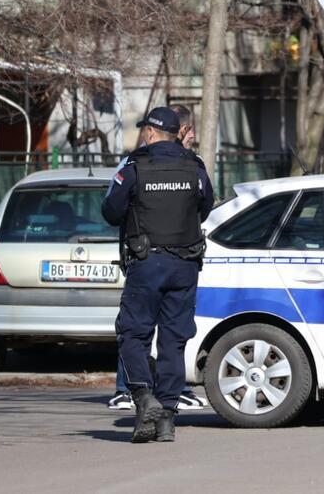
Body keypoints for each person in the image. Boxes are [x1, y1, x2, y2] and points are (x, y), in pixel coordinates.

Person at [102, 106, 214, 443]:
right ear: (177, 132)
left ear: (150, 133)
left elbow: (110, 211)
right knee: (173, 342)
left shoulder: (135, 167)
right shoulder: (195, 167)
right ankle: (165, 419)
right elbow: (205, 206)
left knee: (133, 335)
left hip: (146, 262)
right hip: (185, 265)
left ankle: (142, 397)